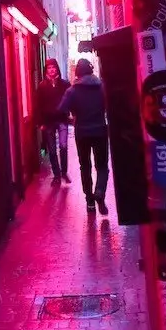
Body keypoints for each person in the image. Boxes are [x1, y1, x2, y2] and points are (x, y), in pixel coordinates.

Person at [58, 58, 110, 215]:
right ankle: (100, 191)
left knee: (85, 166)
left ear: (77, 73)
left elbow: (62, 110)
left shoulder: (72, 91)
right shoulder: (102, 87)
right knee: (102, 166)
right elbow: (109, 104)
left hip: (82, 132)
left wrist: (73, 119)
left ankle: (90, 202)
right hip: (100, 130)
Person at [35, 59, 71, 186]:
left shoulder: (65, 84)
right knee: (51, 150)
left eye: (53, 67)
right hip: (48, 121)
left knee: (63, 146)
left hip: (62, 120)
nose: (52, 70)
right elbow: (38, 105)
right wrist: (40, 123)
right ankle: (56, 175)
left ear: (57, 69)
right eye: (49, 68)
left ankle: (64, 172)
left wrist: (69, 113)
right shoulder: (42, 86)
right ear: (46, 70)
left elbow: (70, 100)